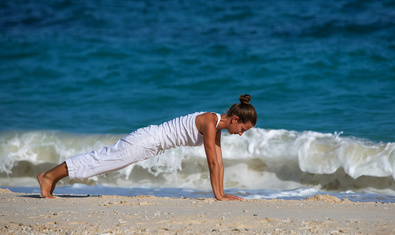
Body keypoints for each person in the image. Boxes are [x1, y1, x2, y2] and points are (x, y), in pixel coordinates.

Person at [37, 94, 257, 201]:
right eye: (243, 129)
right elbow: (211, 161)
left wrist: (221, 193)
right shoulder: (209, 122)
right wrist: (218, 196)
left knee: (104, 162)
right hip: (147, 140)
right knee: (102, 161)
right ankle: (48, 177)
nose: (241, 134)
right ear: (236, 118)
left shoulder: (216, 127)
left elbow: (218, 162)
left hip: (151, 144)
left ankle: (52, 177)